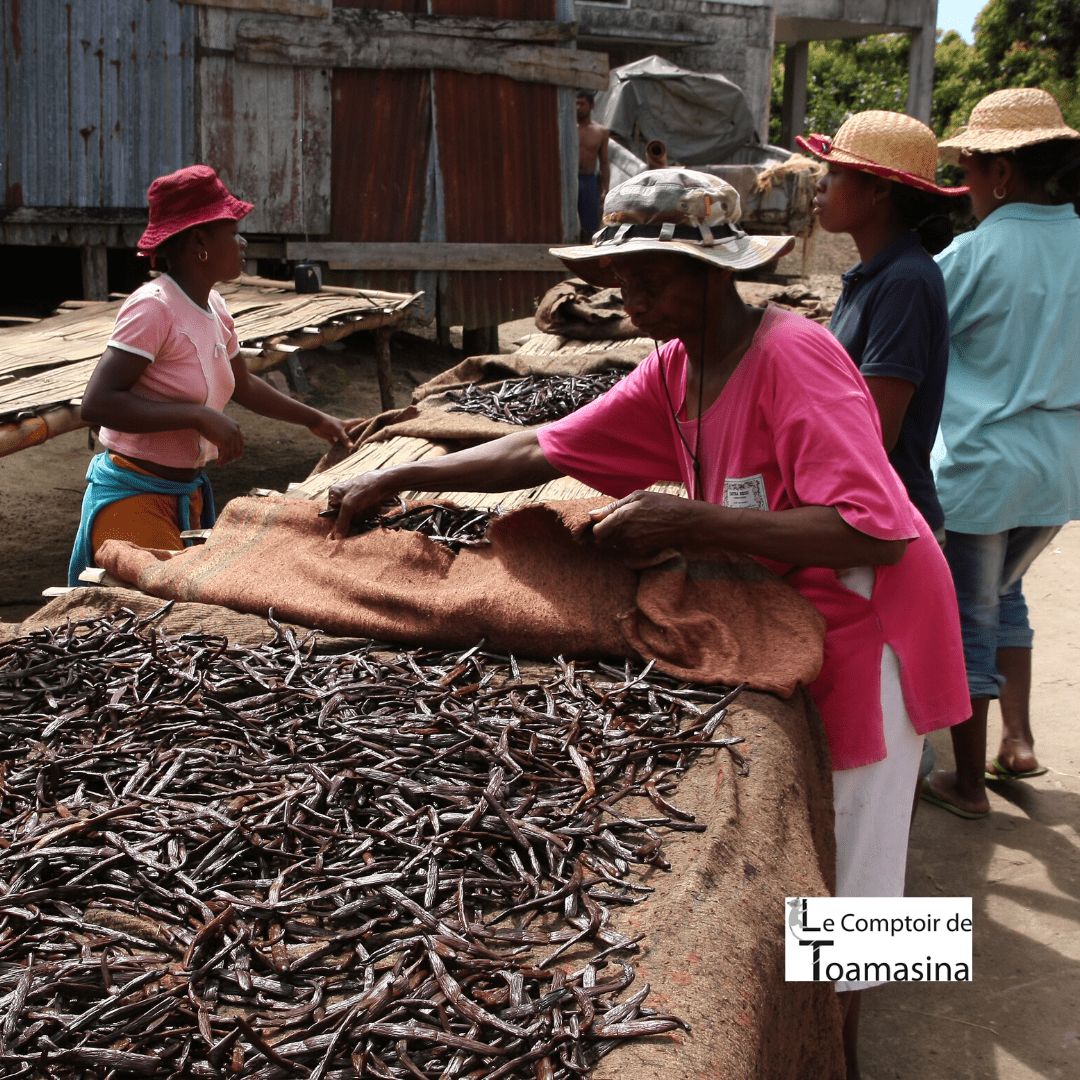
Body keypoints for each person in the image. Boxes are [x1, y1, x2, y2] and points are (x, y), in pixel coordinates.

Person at [326, 168, 969, 1077]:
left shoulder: (793, 356)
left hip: (874, 621)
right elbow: (547, 445)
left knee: (860, 872)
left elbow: (878, 528)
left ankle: (851, 1052)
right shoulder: (677, 366)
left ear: (711, 272)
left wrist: (693, 520)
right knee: (819, 840)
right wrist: (403, 476)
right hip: (793, 605)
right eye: (620, 281)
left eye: (648, 280)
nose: (627, 300)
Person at [918, 88, 1080, 820]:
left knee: (968, 621)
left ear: (1004, 175)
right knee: (1005, 595)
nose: (969, 189)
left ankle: (967, 784)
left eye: (973, 171)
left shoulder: (973, 255)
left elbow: (917, 345)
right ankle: (1016, 740)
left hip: (984, 470)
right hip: (1059, 473)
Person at [70, 164, 351, 585]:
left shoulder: (214, 305)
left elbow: (244, 383)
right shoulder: (154, 307)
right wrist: (199, 416)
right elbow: (99, 402)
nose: (242, 241)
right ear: (200, 240)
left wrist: (314, 419)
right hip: (133, 498)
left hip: (184, 493)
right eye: (232, 229)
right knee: (157, 620)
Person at [798, 111, 966, 538]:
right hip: (860, 514)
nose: (820, 183)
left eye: (835, 172)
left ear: (879, 189)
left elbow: (873, 433)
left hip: (888, 528)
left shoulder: (905, 281)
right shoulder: (873, 275)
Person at [576, 90, 610, 239]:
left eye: (582, 104)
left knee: (590, 223)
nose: (578, 107)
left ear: (591, 105)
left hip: (589, 180)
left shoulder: (600, 132)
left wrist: (605, 188)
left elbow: (604, 162)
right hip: (570, 180)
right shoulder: (569, 129)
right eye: (576, 104)